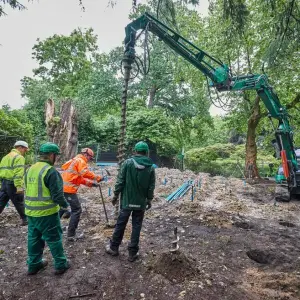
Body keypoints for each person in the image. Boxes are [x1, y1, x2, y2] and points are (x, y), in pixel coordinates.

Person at [25, 142, 70, 275]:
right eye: (55, 155)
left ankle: (33, 265)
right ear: (51, 155)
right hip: (46, 213)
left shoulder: (30, 169)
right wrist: (66, 206)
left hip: (31, 212)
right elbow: (57, 196)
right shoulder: (50, 171)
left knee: (34, 238)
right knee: (54, 238)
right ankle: (61, 264)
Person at [106, 141, 155, 262]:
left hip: (127, 202)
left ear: (135, 151)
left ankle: (114, 248)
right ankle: (132, 253)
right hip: (141, 203)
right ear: (146, 152)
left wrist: (115, 195)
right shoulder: (151, 167)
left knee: (120, 224)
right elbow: (151, 186)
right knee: (137, 226)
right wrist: (149, 199)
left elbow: (120, 181)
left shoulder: (127, 163)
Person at [60, 148, 103, 241]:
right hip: (69, 190)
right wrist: (97, 178)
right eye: (90, 158)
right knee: (77, 210)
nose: (89, 160)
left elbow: (79, 179)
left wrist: (91, 184)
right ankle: (71, 235)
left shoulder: (74, 160)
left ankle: (52, 228)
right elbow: (85, 173)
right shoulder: (80, 161)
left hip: (63, 189)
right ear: (86, 155)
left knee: (62, 208)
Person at [0, 140, 29, 226]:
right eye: (25, 149)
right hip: (13, 184)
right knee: (19, 202)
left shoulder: (5, 157)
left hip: (4, 183)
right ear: (20, 147)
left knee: (1, 202)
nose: (25, 152)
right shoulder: (19, 157)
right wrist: (19, 187)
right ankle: (26, 220)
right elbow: (18, 174)